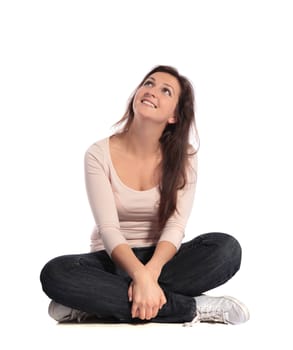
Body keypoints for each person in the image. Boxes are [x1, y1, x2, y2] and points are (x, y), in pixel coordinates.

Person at [40, 65, 249, 326]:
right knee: (56, 273)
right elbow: (108, 228)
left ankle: (96, 303)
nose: (152, 91)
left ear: (174, 115)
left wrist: (150, 273)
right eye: (148, 83)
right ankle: (190, 308)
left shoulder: (185, 156)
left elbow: (175, 225)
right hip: (112, 260)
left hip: (162, 260)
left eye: (165, 90)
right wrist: (138, 276)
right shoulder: (98, 154)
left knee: (226, 249)